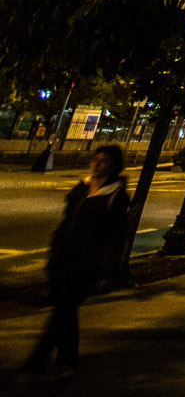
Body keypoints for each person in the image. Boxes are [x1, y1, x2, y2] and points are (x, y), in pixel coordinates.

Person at [22, 143, 130, 381]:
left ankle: (36, 362)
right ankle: (68, 361)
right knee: (66, 312)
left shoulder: (115, 195)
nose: (98, 164)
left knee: (62, 311)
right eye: (97, 159)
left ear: (113, 166)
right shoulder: (82, 187)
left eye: (105, 161)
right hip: (63, 258)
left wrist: (107, 271)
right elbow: (67, 220)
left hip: (87, 263)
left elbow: (115, 236)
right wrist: (55, 251)